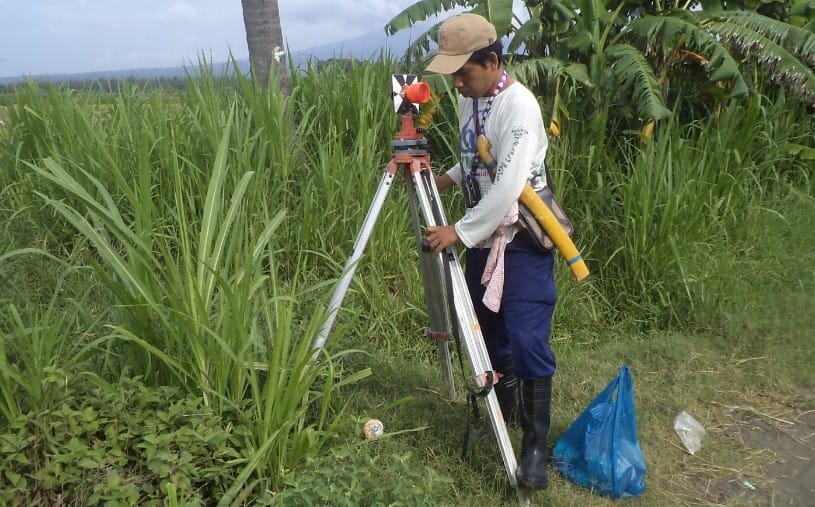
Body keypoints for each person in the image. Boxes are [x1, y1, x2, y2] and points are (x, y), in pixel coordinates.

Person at [423, 12, 557, 491]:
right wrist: (449, 179)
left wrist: (457, 232)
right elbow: (477, 159)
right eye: (452, 73)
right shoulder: (472, 100)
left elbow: (508, 185)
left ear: (493, 62)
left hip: (520, 238)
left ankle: (535, 445)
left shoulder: (518, 107)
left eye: (464, 72)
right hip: (483, 235)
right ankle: (503, 406)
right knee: (490, 332)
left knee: (527, 338)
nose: (456, 82)